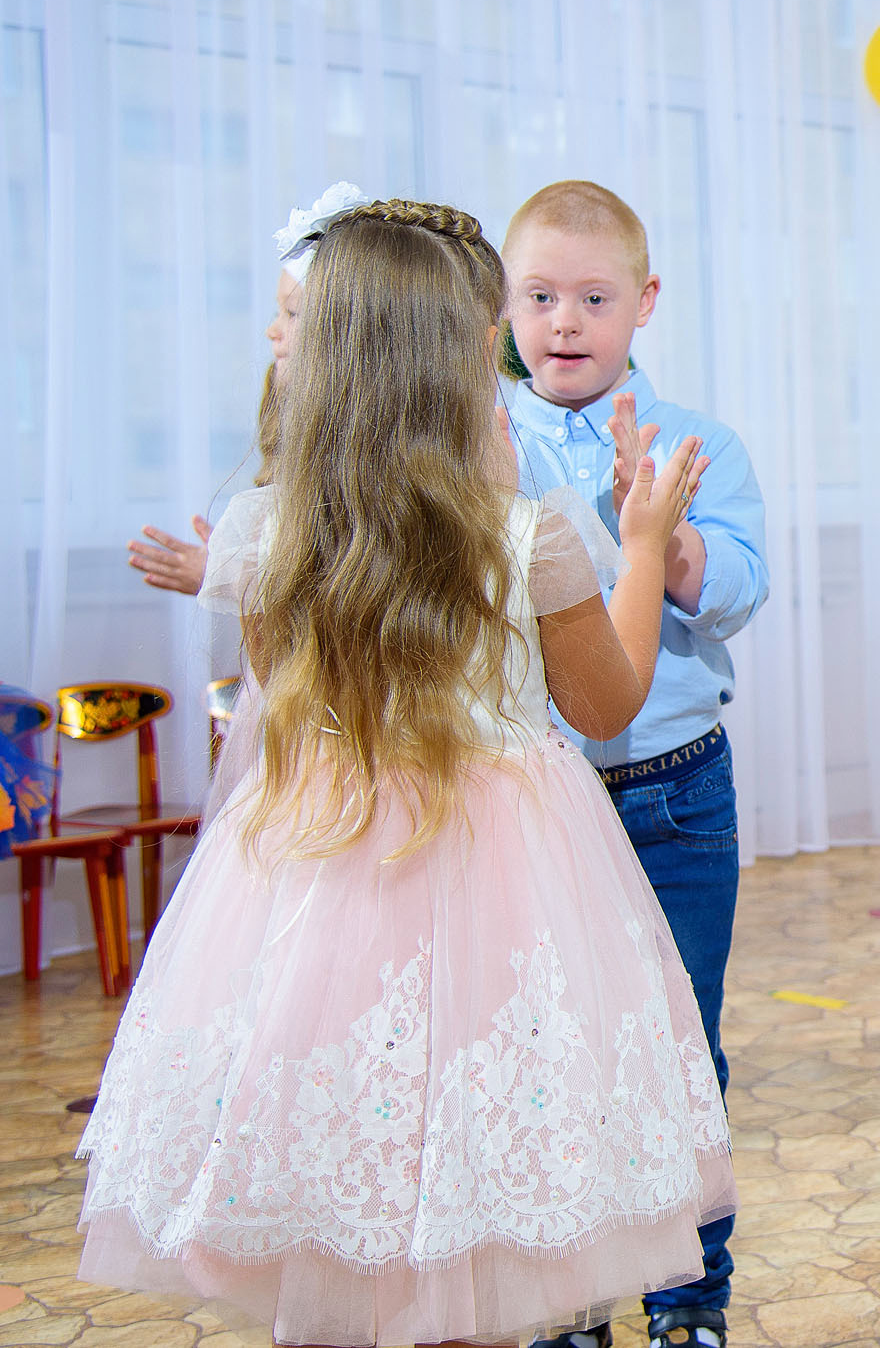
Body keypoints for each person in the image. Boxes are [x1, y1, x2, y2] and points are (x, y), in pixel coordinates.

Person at [74, 198, 736, 1347]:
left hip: (317, 872)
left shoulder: (267, 532)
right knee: (476, 1165)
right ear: (468, 360)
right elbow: (608, 700)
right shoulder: (528, 536)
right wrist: (638, 546)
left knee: (343, 1171)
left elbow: (287, 697)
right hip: (501, 881)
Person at [498, 180, 768, 1348]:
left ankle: (687, 1298)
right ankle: (570, 1299)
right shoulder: (481, 440)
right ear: (502, 308)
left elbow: (744, 589)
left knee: (677, 1048)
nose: (565, 321)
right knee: (547, 1054)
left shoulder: (699, 442)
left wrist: (667, 535)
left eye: (593, 297)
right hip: (530, 803)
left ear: (643, 303)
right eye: (540, 296)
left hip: (674, 792)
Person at [128, 183, 370, 596]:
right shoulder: (291, 428)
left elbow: (336, 593)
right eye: (278, 311)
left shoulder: (361, 470)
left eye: (292, 313)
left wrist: (234, 579)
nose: (272, 330)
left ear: (346, 337)